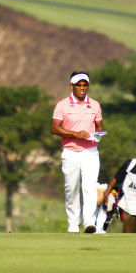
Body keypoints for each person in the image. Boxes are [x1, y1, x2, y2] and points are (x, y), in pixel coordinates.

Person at [51, 70, 104, 234]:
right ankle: (73, 224)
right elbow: (55, 128)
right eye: (79, 85)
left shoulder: (94, 105)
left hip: (90, 151)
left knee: (89, 187)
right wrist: (75, 134)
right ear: (71, 86)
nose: (82, 88)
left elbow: (99, 126)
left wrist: (97, 135)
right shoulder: (62, 105)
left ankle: (89, 222)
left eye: (85, 85)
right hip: (70, 152)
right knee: (71, 188)